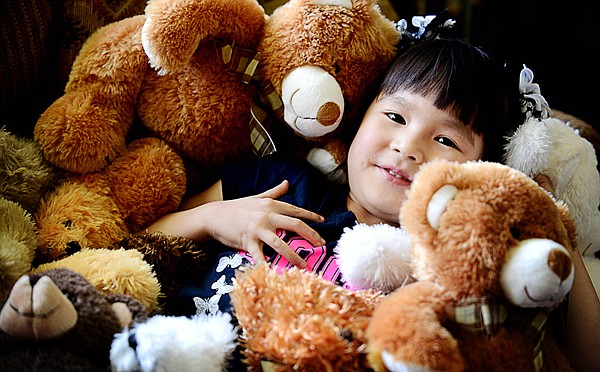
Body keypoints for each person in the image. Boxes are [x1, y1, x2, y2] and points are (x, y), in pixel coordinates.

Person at [147, 38, 521, 316]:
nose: (407, 147)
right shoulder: (280, 180)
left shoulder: (435, 266)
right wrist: (214, 218)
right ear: (360, 118)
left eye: (445, 140)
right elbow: (145, 238)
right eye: (395, 117)